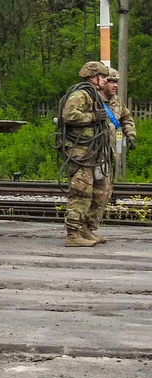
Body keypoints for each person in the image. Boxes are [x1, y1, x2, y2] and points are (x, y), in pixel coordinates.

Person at [59, 61, 113, 248]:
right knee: (81, 191)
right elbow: (69, 115)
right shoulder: (80, 94)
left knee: (100, 189)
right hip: (80, 151)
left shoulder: (94, 96)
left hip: (92, 150)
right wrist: (92, 117)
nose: (106, 80)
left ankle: (86, 228)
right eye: (103, 76)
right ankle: (73, 234)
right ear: (92, 76)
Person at [89, 67, 138, 243]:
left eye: (116, 82)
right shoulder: (92, 99)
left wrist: (130, 134)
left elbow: (126, 118)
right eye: (111, 81)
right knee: (91, 192)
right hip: (91, 153)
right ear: (102, 82)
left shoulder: (116, 101)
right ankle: (81, 229)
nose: (114, 85)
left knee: (104, 192)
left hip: (107, 153)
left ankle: (90, 228)